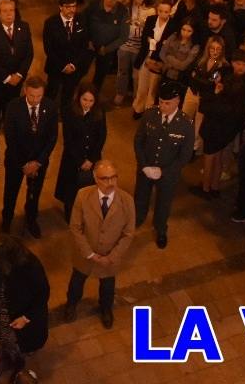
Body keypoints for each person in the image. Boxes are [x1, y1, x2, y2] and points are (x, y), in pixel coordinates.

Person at [63, 160, 134, 328]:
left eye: (113, 178)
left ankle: (106, 309)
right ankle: (71, 304)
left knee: (108, 286)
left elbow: (128, 233)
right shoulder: (83, 195)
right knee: (77, 282)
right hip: (85, 254)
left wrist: (112, 257)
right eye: (105, 178)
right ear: (95, 178)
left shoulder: (127, 201)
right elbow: (75, 227)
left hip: (109, 257)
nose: (110, 183)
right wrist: (90, 254)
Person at [133, 80, 195, 248]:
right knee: (140, 198)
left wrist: (164, 171)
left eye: (167, 103)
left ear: (177, 101)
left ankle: (160, 229)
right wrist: (144, 165)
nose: (162, 106)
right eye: (160, 102)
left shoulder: (185, 124)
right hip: (146, 168)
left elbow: (185, 156)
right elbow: (138, 141)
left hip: (168, 174)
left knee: (164, 203)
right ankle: (136, 221)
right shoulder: (150, 115)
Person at [0, 236, 49, 381]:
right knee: (3, 334)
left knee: (19, 342)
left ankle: (18, 365)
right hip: (2, 304)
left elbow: (42, 295)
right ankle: (5, 359)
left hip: (21, 311)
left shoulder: (31, 267)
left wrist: (25, 318)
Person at [0, 77, 58, 238]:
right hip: (16, 160)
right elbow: (10, 138)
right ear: (25, 91)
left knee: (34, 192)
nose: (35, 100)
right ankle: (7, 219)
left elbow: (52, 138)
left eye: (39, 96)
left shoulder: (50, 107)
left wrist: (38, 162)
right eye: (32, 96)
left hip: (39, 161)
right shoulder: (13, 107)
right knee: (10, 192)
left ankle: (31, 219)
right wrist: (24, 164)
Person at [54, 86, 107, 222]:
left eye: (91, 100)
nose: (87, 103)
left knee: (89, 187)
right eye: (85, 99)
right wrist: (80, 160)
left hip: (92, 158)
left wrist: (91, 159)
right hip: (73, 158)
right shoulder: (69, 112)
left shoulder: (99, 112)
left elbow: (101, 136)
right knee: (71, 187)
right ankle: (70, 211)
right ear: (78, 98)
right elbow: (68, 139)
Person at [0, 0, 34, 130]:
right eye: (5, 11)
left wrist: (19, 74)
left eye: (11, 10)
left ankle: (8, 124)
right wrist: (7, 78)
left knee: (11, 105)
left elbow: (29, 54)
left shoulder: (24, 27)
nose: (9, 14)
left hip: (17, 79)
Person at [42, 0, 92, 106]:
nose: (71, 10)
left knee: (68, 94)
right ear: (60, 7)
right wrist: (63, 66)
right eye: (68, 7)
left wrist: (73, 64)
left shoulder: (81, 19)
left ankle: (65, 113)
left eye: (74, 6)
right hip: (56, 66)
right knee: (51, 92)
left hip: (74, 67)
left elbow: (84, 45)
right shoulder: (50, 23)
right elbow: (48, 49)